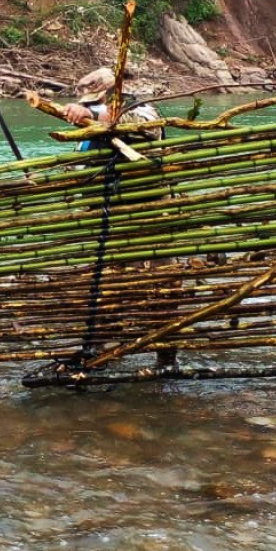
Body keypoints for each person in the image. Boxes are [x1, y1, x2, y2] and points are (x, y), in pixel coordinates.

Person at [62, 67, 179, 366]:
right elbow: (79, 169)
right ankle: (102, 353)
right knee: (107, 289)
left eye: (95, 102)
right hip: (109, 222)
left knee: (161, 287)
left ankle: (166, 358)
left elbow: (147, 126)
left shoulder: (140, 110)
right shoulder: (88, 131)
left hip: (148, 218)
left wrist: (95, 114)